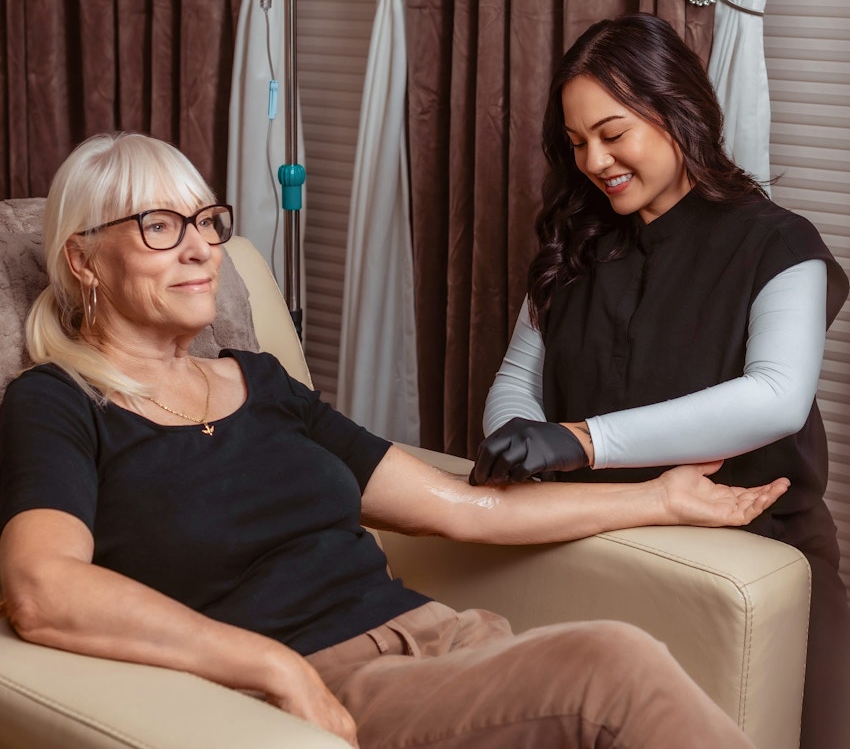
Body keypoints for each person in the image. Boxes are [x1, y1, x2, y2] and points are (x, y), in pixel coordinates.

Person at [0, 133, 788, 749]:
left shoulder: (261, 380)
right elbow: (43, 590)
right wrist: (271, 664)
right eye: (160, 226)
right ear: (82, 258)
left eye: (207, 221)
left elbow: (466, 510)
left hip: (449, 641)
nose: (203, 247)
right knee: (614, 665)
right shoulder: (60, 404)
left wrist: (657, 497)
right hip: (330, 683)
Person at [473, 13, 850, 749]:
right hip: (601, 547)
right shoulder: (573, 243)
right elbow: (518, 376)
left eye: (614, 134)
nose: (593, 160)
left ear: (679, 109)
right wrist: (514, 438)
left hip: (762, 562)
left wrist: (576, 441)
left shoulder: (781, 243)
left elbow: (777, 395)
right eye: (577, 142)